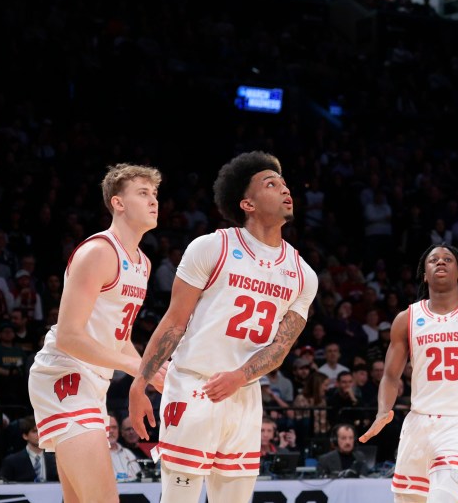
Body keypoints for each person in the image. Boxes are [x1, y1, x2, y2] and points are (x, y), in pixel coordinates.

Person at [129, 151, 318, 503]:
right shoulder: (212, 247)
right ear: (247, 202)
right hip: (192, 384)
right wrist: (140, 382)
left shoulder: (303, 274)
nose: (285, 190)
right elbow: (174, 322)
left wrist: (241, 376)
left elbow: (280, 347)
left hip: (244, 393)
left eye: (285, 184)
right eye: (271, 184)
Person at [28, 163, 162, 503]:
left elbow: (120, 338)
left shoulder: (143, 263)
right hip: (65, 373)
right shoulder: (99, 252)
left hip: (94, 381)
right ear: (117, 203)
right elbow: (69, 336)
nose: (154, 201)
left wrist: (148, 375)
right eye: (143, 193)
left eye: (155, 194)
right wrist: (136, 369)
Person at [360, 244, 458, 502]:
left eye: (448, 259)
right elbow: (390, 376)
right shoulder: (407, 318)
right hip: (418, 424)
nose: (441, 262)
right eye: (434, 260)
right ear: (424, 274)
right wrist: (383, 411)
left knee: (443, 497)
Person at [0, 416, 58, 482]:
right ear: (25, 436)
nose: (39, 434)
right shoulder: (11, 461)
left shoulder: (56, 460)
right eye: (35, 431)